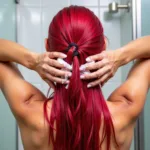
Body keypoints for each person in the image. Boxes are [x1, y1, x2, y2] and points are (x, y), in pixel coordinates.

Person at [0, 6, 150, 150]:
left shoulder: (28, 109)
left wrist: (32, 60)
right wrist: (121, 56)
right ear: (103, 45)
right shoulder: (126, 108)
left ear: (47, 46)